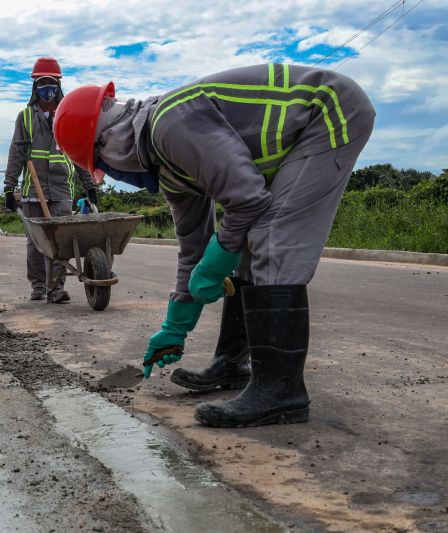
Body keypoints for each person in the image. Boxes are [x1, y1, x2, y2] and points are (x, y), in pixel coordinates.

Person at [54, 64, 375, 427]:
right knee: (248, 246)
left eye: (104, 166)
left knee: (271, 237)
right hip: (308, 125)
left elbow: (248, 201)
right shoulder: (169, 168)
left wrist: (214, 264)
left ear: (107, 141)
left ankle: (281, 390)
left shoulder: (170, 124)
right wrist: (176, 324)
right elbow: (193, 245)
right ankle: (232, 364)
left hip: (329, 112)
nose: (115, 175)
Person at [4, 56, 98, 303]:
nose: (48, 88)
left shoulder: (66, 115)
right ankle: (37, 286)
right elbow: (15, 154)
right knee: (36, 243)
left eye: (52, 83)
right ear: (35, 86)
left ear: (58, 85)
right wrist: (8, 187)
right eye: (43, 83)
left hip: (61, 190)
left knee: (60, 242)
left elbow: (77, 153)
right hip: (32, 189)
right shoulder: (25, 117)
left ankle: (55, 289)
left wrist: (89, 186)